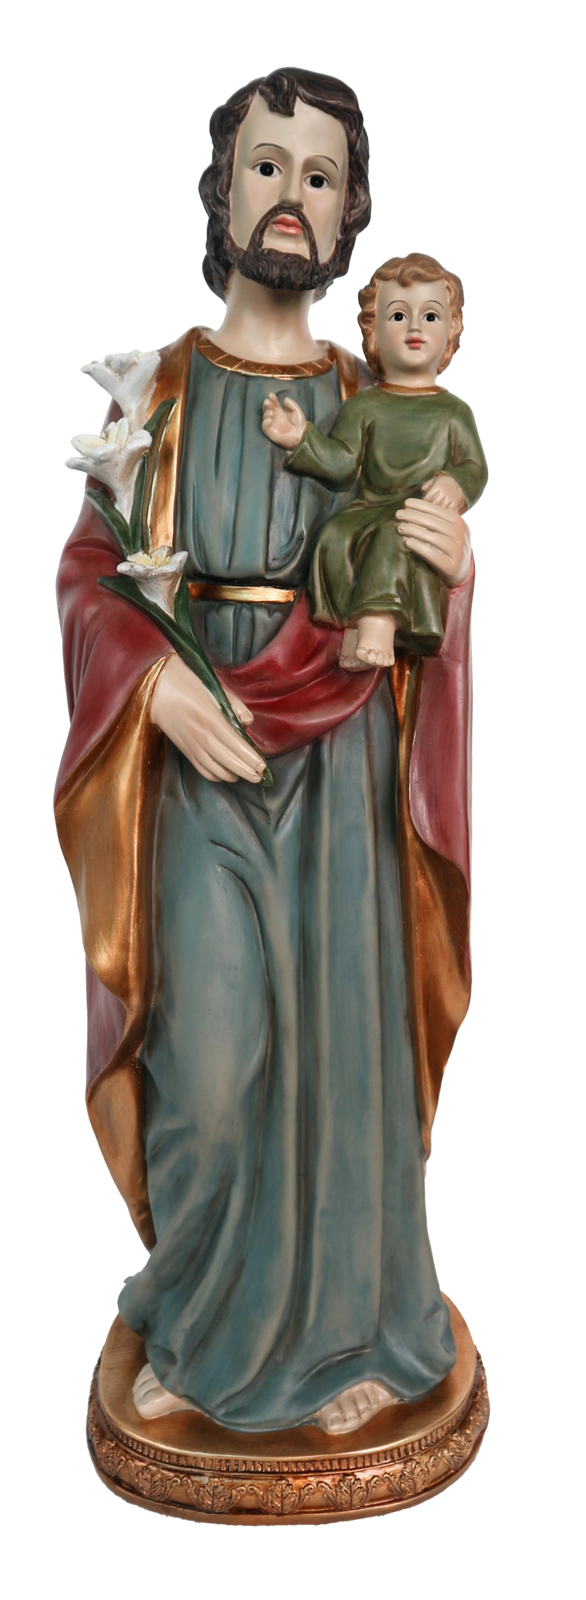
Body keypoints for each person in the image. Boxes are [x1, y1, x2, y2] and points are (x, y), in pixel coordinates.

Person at [56, 69, 476, 1437]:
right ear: (219, 189)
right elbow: (90, 573)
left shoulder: (371, 391)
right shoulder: (167, 391)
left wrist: (452, 564)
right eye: (266, 166)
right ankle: (197, 1316)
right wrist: (150, 683)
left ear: (351, 212)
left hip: (343, 759)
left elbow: (425, 586)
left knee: (343, 1063)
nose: (290, 198)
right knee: (217, 1054)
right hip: (199, 748)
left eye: (320, 176)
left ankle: (356, 1334)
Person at [262, 254, 488, 669]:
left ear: (453, 329)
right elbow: (342, 464)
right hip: (367, 508)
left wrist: (455, 483)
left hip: (413, 513)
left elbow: (474, 467)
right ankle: (350, 629)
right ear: (374, 331)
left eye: (431, 316)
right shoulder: (365, 406)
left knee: (394, 536)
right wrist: (301, 438)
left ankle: (379, 624)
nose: (415, 328)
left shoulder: (453, 413)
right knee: (333, 536)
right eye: (399, 316)